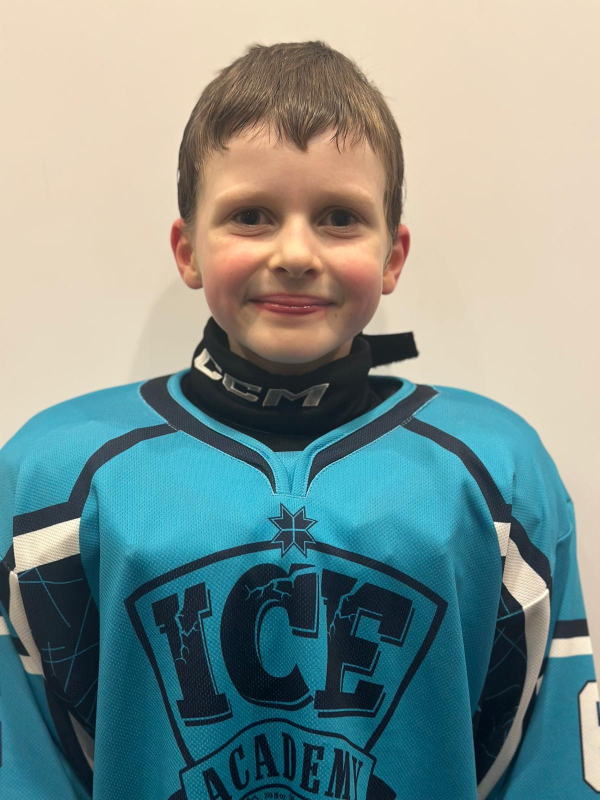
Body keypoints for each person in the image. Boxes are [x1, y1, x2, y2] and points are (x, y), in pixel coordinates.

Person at [0, 40, 597, 800]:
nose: (294, 253)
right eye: (250, 216)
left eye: (339, 218)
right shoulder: (52, 482)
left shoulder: (499, 475)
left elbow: (546, 763)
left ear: (393, 255)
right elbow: (29, 762)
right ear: (187, 249)